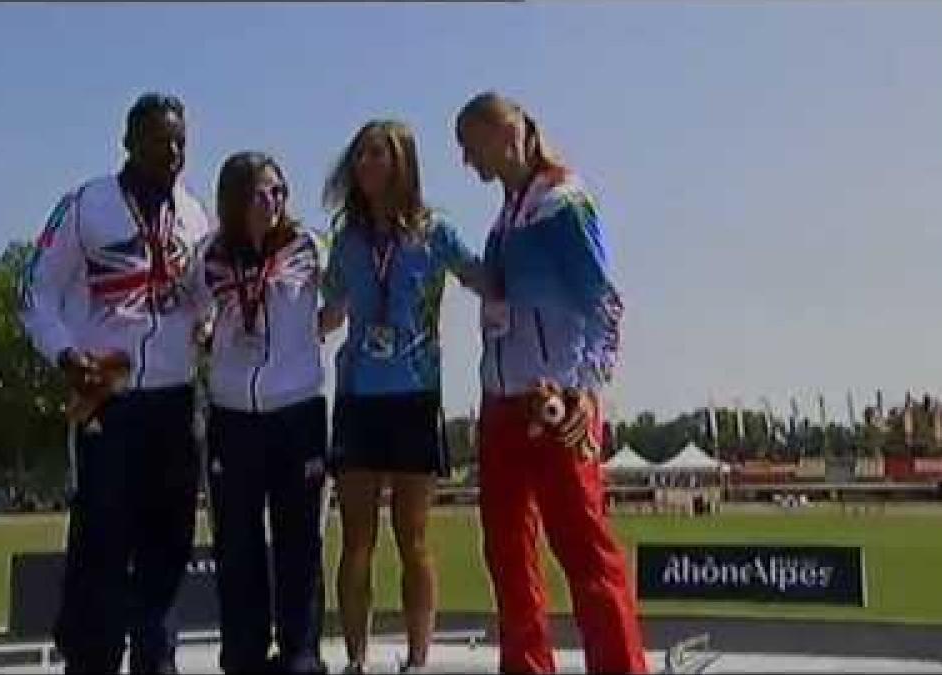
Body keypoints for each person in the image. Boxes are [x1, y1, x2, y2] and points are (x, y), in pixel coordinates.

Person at [455, 91, 648, 674]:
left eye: (469, 147)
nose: (466, 163)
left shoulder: (565, 202)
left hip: (554, 401)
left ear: (501, 134)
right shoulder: (507, 212)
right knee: (508, 555)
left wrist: (587, 392)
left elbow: (604, 304)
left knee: (584, 551)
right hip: (502, 403)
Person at [19, 92, 211, 674]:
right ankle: (91, 660)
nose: (173, 152)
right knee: (100, 548)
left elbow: (203, 301)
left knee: (169, 547)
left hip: (177, 403)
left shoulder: (197, 214)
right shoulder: (84, 205)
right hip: (110, 403)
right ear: (128, 142)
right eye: (159, 140)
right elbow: (35, 294)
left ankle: (158, 660)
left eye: (181, 141)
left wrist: (211, 325)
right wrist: (66, 355)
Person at [320, 119, 491, 674]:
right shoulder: (346, 240)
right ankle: (355, 660)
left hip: (416, 396)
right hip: (357, 399)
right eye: (361, 154)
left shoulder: (434, 231)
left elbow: (483, 279)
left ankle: (418, 661)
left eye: (379, 154)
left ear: (403, 164)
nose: (366, 164)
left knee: (414, 540)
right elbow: (327, 313)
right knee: (357, 542)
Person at [190, 152, 329, 674]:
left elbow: (346, 292)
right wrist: (201, 336)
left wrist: (329, 321)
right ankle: (243, 652)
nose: (270, 202)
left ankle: (302, 650)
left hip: (298, 412)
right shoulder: (209, 255)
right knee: (237, 543)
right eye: (257, 193)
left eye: (278, 191)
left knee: (299, 539)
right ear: (232, 200)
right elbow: (185, 308)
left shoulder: (310, 246)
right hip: (232, 415)